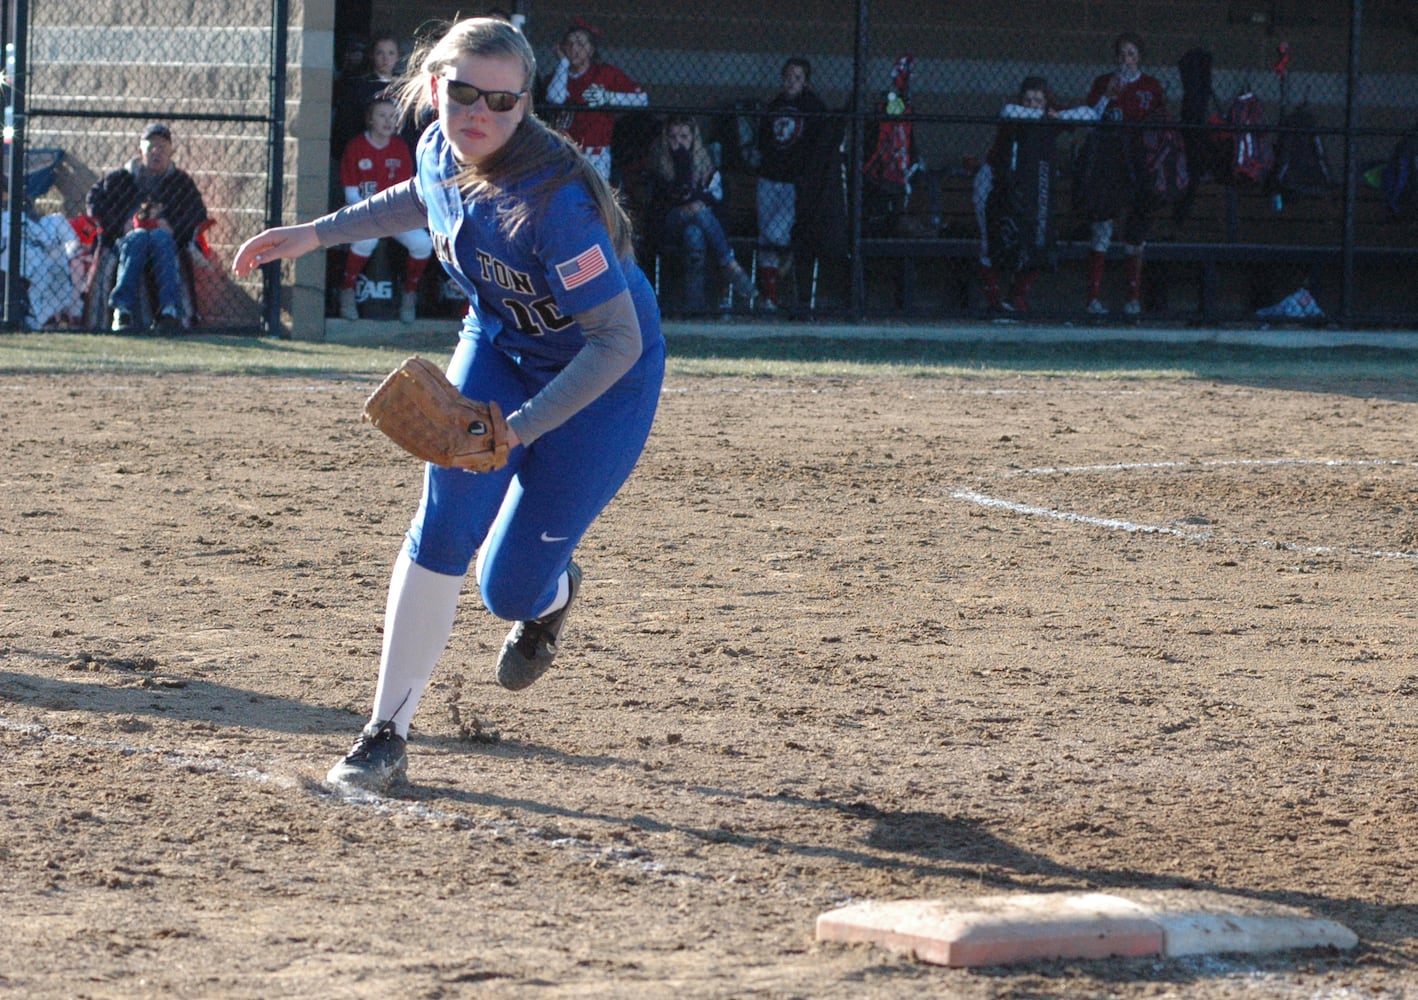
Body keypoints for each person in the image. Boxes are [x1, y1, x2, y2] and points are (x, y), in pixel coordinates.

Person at [232, 16, 665, 795]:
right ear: (434, 86)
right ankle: (384, 733)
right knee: (443, 522)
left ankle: (554, 594)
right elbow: (417, 196)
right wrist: (314, 235)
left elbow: (616, 342)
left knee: (509, 588)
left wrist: (515, 431)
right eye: (461, 91)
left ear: (527, 104)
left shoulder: (554, 199)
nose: (478, 113)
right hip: (501, 347)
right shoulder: (439, 146)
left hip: (603, 379)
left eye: (502, 101)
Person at [975, 76, 1097, 313]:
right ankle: (995, 303)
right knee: (991, 242)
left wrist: (1058, 116)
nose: (1032, 104)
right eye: (1028, 99)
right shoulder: (1014, 114)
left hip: (1031, 190)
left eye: (1038, 100)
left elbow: (1089, 114)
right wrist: (1044, 116)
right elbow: (1009, 111)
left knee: (1039, 238)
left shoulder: (1051, 116)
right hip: (995, 184)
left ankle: (1017, 297)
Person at [85, 122, 208, 332]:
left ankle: (168, 311)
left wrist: (173, 227)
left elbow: (196, 212)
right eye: (151, 147)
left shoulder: (180, 182)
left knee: (161, 238)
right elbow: (94, 203)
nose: (156, 152)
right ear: (139, 150)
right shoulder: (119, 179)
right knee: (138, 238)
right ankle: (122, 310)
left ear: (171, 152)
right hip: (128, 238)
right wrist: (120, 225)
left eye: (162, 147)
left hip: (165, 239)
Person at [1079, 31, 1167, 316]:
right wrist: (1108, 96)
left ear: (1139, 56)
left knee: (1136, 235)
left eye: (1131, 54)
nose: (1126, 59)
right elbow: (1090, 119)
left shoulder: (1151, 86)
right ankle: (1092, 299)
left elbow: (1161, 125)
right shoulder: (1104, 82)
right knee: (1102, 229)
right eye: (1122, 54)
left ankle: (1132, 298)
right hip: (1110, 162)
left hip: (1140, 164)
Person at [336, 93, 435, 322]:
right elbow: (351, 193)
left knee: (423, 243)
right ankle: (347, 290)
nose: (388, 121)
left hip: (394, 214)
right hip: (363, 214)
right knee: (366, 239)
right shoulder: (356, 147)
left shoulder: (400, 148)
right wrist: (372, 216)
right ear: (370, 119)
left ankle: (409, 294)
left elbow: (405, 192)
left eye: (393, 116)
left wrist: (390, 217)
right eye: (382, 116)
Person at [646, 115, 755, 314]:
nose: (678, 142)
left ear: (694, 138)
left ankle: (694, 308)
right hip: (669, 224)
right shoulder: (660, 165)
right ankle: (729, 263)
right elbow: (671, 199)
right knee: (697, 209)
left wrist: (693, 201)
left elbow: (717, 199)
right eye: (672, 137)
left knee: (694, 233)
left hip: (699, 226)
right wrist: (683, 164)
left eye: (684, 136)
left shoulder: (707, 165)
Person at [755, 57, 826, 311]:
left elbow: (819, 146)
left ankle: (785, 264)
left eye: (797, 77)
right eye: (787, 76)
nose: (791, 82)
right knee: (765, 236)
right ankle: (770, 297)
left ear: (805, 81)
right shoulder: (775, 106)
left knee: (777, 234)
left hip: (793, 184)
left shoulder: (813, 108)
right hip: (769, 178)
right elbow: (763, 139)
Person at [541, 17, 648, 181]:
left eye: (580, 44)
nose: (574, 49)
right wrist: (563, 63)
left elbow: (641, 99)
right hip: (563, 150)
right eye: (569, 44)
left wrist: (608, 97)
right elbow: (555, 98)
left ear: (591, 50)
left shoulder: (605, 73)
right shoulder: (557, 76)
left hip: (595, 152)